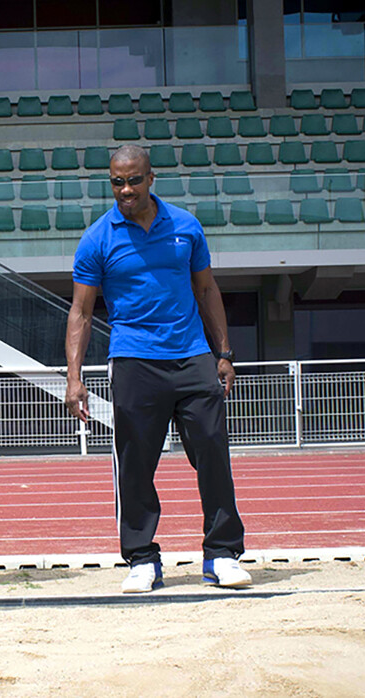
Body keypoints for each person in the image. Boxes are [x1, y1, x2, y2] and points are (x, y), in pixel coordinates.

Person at [65, 144, 250, 594]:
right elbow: (81, 312)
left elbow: (207, 291)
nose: (125, 190)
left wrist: (223, 353)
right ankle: (142, 558)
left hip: (191, 357)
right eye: (117, 182)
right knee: (134, 464)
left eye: (133, 180)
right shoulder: (97, 238)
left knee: (212, 454)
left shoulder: (186, 226)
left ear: (151, 178)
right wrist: (74, 378)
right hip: (133, 360)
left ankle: (222, 554)